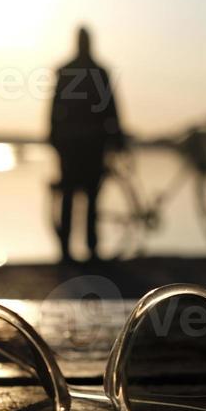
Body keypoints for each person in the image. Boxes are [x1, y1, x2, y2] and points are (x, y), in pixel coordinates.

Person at [49, 26, 126, 261]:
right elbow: (111, 107)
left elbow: (55, 109)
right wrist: (116, 135)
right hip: (86, 143)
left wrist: (54, 135)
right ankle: (81, 249)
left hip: (83, 144)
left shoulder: (73, 71)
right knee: (84, 196)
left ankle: (75, 250)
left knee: (82, 196)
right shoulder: (97, 72)